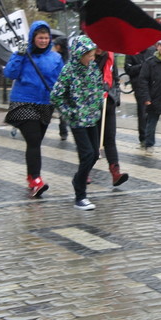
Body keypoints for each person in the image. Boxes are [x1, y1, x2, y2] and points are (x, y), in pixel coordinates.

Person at [3, 21, 65, 197]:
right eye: (40, 38)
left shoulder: (55, 58)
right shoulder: (23, 54)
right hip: (23, 102)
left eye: (46, 38)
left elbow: (61, 79)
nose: (44, 41)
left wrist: (60, 94)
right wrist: (19, 55)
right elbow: (9, 73)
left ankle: (31, 176)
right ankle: (36, 179)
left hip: (45, 104)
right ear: (33, 38)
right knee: (34, 140)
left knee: (35, 143)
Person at [51, 35, 104, 211]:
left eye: (93, 55)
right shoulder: (68, 70)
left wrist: (100, 96)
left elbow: (98, 86)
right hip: (77, 120)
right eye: (89, 55)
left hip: (93, 118)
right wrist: (70, 112)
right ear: (79, 54)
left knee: (94, 155)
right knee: (87, 154)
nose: (92, 58)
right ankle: (80, 195)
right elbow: (56, 95)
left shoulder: (93, 68)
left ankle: (77, 180)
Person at [94, 48, 129, 187]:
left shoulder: (110, 56)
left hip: (108, 103)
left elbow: (115, 79)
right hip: (91, 105)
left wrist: (116, 98)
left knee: (110, 138)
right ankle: (84, 173)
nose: (99, 48)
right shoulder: (87, 56)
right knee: (93, 142)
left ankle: (115, 172)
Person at [124, 44, 155, 148]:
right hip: (139, 86)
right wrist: (142, 66)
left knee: (152, 112)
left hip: (152, 85)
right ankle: (143, 137)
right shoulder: (131, 51)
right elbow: (128, 69)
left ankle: (150, 136)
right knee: (142, 111)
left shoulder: (152, 50)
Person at [52, 36, 70, 140]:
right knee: (62, 110)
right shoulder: (67, 57)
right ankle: (63, 131)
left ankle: (63, 131)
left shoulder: (57, 58)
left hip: (58, 88)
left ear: (58, 46)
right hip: (64, 88)